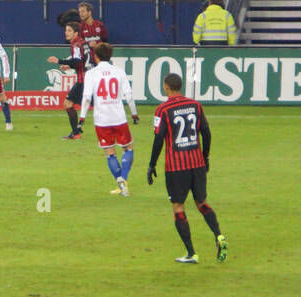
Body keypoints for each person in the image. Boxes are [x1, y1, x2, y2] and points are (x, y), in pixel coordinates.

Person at [147, 73, 226, 264]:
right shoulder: (196, 106)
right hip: (197, 163)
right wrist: (205, 156)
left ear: (166, 87)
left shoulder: (163, 109)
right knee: (202, 203)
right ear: (180, 86)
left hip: (176, 166)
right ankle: (219, 236)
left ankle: (191, 253)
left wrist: (152, 164)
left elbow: (159, 139)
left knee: (178, 206)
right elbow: (206, 133)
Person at [79, 42, 140, 197]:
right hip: (118, 116)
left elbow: (87, 98)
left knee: (110, 153)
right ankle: (124, 180)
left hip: (101, 119)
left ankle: (120, 182)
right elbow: (129, 96)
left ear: (95, 56)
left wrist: (82, 118)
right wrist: (134, 114)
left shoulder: (91, 74)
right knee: (128, 148)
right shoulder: (119, 72)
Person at [47, 21, 90, 139]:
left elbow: (77, 61)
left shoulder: (76, 44)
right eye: (66, 30)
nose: (66, 32)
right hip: (89, 78)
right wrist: (69, 66)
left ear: (76, 33)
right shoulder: (83, 43)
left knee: (68, 103)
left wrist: (59, 61)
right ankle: (76, 131)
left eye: (69, 30)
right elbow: (82, 61)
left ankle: (76, 133)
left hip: (84, 79)